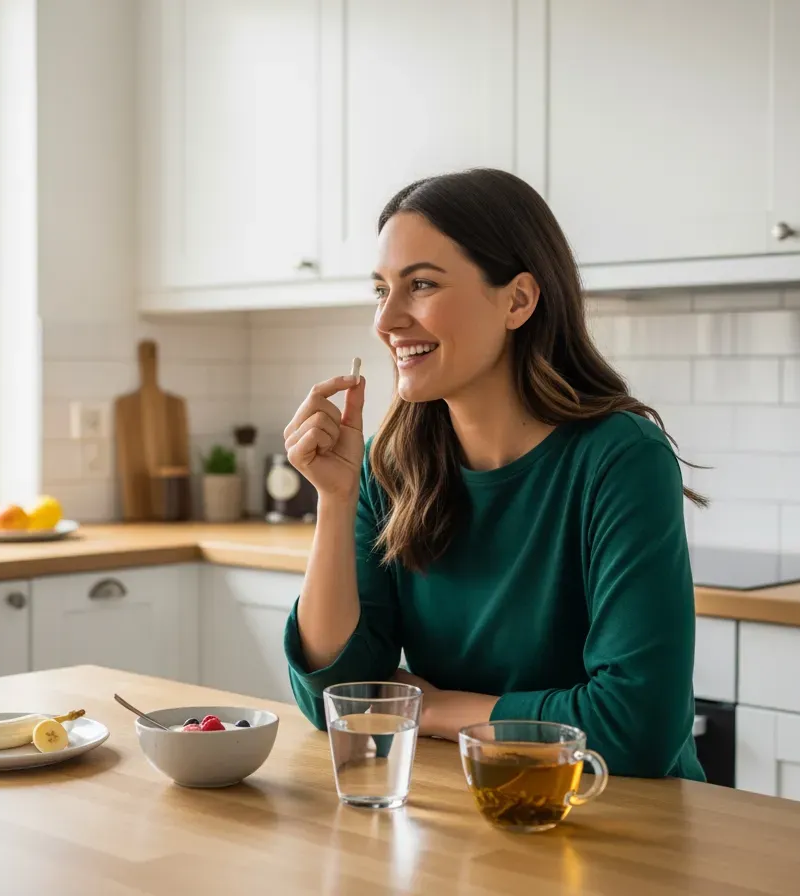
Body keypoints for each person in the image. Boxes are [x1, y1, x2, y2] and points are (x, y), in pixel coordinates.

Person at [281, 168, 706, 780]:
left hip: (612, 816)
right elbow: (338, 699)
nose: (386, 320)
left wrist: (432, 707)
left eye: (420, 284)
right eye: (381, 290)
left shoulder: (620, 458)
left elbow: (636, 727)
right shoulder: (387, 464)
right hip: (463, 812)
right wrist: (336, 497)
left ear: (518, 300)